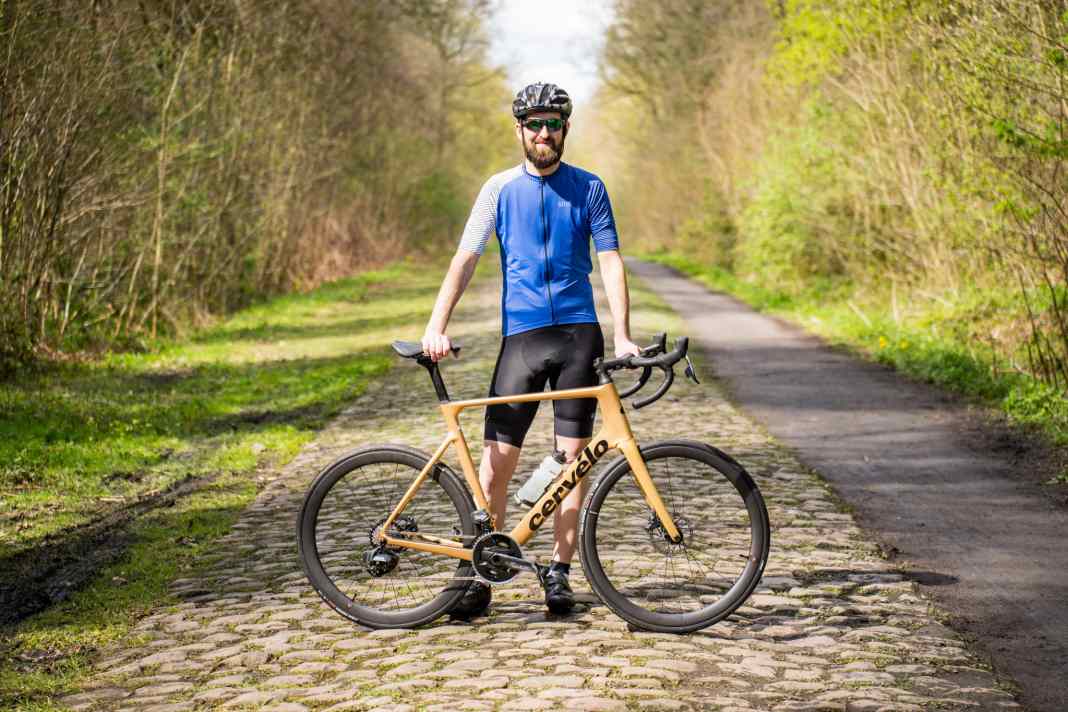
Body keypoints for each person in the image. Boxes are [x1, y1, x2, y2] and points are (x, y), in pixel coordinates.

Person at [421, 82, 640, 619]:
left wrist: (624, 333)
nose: (545, 133)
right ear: (520, 129)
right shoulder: (497, 189)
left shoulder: (589, 187)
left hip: (578, 336)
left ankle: (560, 574)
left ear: (566, 128)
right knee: (496, 466)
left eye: (555, 124)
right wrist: (436, 325)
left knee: (573, 461)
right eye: (535, 124)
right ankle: (480, 572)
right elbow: (465, 258)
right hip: (521, 338)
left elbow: (609, 260)